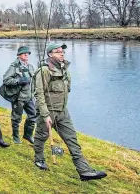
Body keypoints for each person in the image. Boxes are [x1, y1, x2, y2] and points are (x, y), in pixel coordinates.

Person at [33, 43, 107, 181]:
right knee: (40, 137)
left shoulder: (64, 69)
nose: (61, 54)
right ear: (50, 54)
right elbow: (38, 94)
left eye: (62, 52)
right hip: (48, 112)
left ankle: (84, 171)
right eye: (57, 52)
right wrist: (45, 114)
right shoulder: (44, 71)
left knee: (72, 139)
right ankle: (39, 159)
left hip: (62, 112)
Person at [2, 46, 37, 144]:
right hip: (18, 98)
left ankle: (28, 135)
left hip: (29, 97)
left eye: (28, 53)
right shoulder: (14, 66)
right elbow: (6, 80)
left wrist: (35, 93)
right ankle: (16, 137)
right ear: (19, 55)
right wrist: (19, 81)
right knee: (16, 118)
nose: (26, 55)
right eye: (24, 53)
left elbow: (33, 82)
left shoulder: (30, 66)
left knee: (33, 115)